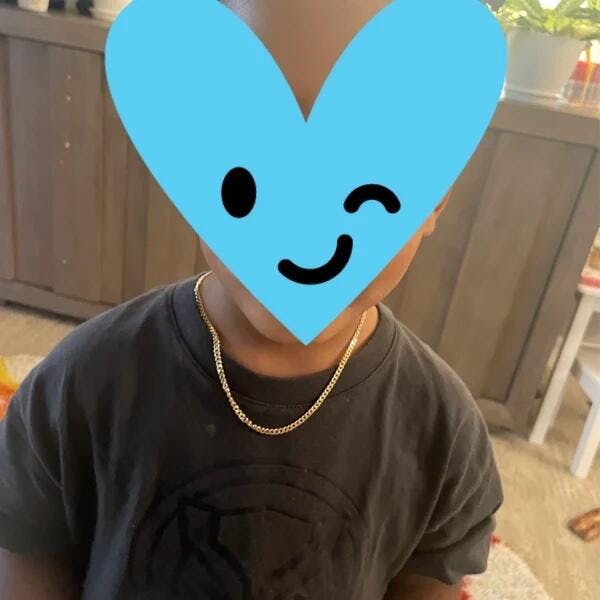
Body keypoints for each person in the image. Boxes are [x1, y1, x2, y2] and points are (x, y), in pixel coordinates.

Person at [0, 1, 503, 598]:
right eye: (255, 151)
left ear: (435, 194)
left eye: (365, 161)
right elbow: (28, 563)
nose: (306, 224)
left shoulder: (443, 434)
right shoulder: (79, 388)